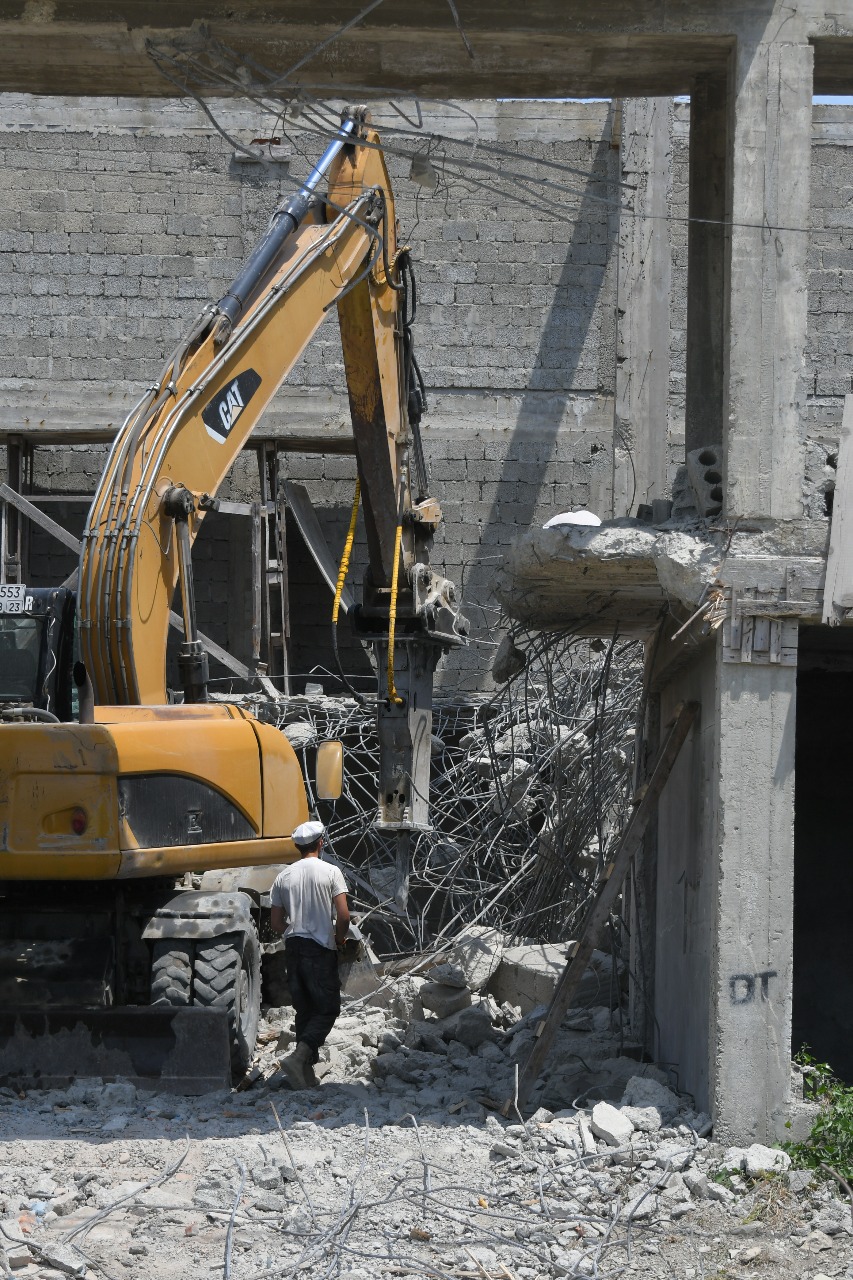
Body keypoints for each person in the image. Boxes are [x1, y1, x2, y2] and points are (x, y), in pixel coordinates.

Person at [270, 820, 350, 1089]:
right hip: (319, 949)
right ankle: (298, 1057)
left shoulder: (283, 877)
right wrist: (339, 939)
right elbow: (343, 915)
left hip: (293, 947)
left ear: (297, 847)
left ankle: (304, 1076)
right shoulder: (331, 872)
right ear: (321, 843)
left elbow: (277, 923)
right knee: (327, 1009)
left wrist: (294, 928)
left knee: (304, 1010)